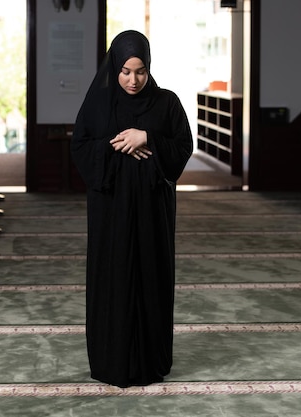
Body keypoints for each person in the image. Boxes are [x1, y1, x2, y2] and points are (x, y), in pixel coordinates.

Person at [71, 30, 193, 388]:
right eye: (125, 71)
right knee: (114, 276)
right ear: (115, 67)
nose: (133, 80)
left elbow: (183, 145)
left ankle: (152, 361)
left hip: (153, 209)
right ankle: (111, 361)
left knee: (152, 275)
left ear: (149, 67)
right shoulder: (99, 103)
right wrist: (117, 145)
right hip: (111, 209)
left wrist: (148, 138)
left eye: (140, 71)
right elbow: (80, 147)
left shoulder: (167, 103)